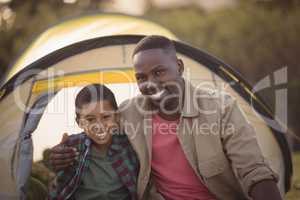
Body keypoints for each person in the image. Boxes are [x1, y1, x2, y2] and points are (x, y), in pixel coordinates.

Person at [49, 35, 282, 200]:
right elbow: (98, 126)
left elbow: (254, 171)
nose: (150, 83)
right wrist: (63, 152)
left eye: (159, 72)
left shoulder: (221, 108)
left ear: (179, 67)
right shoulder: (129, 113)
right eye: (141, 77)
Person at [48, 84, 139, 200]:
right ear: (79, 122)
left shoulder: (129, 144)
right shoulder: (73, 147)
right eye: (90, 119)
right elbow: (59, 186)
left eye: (106, 117)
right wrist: (57, 164)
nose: (99, 126)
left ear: (116, 116)